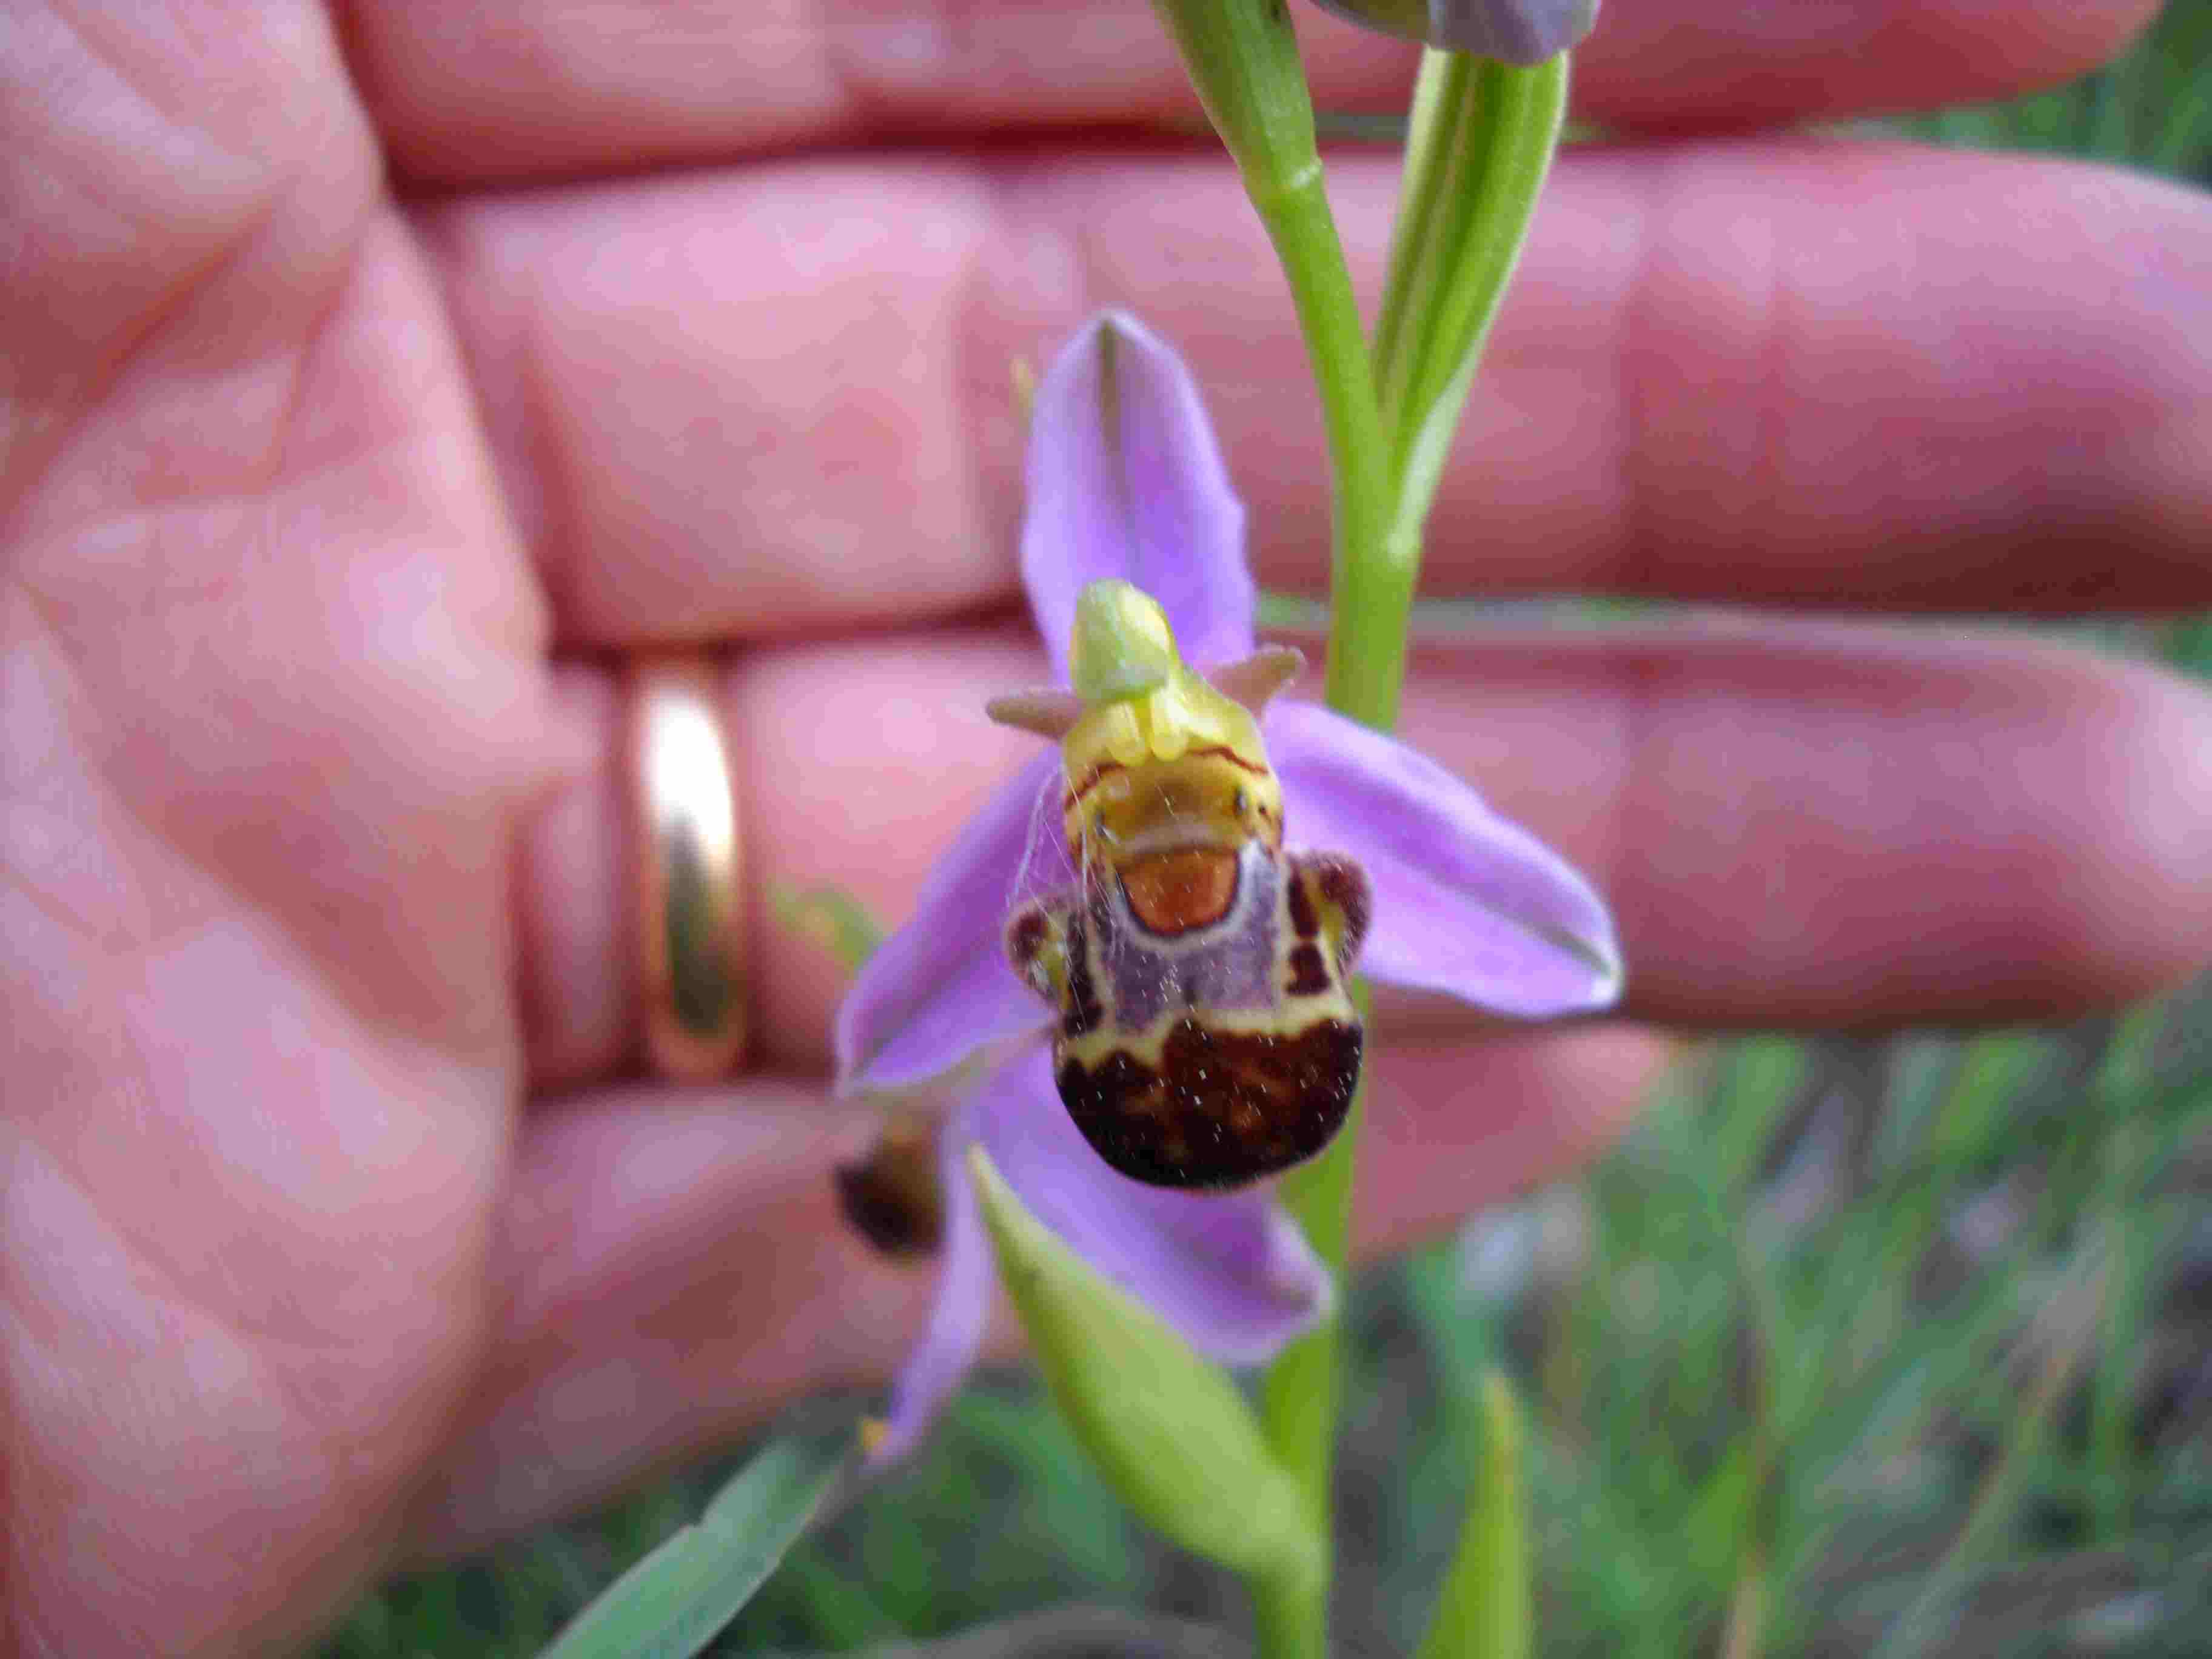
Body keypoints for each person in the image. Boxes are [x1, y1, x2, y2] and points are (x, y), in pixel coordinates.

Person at [4, 2, 2207, 1652]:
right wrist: (922, 1021)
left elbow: (1525, 924)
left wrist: (1465, 927)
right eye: (1142, 783)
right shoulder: (1119, 806)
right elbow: (922, 995)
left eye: (1182, 785)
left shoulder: (1282, 773)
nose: (1163, 810)